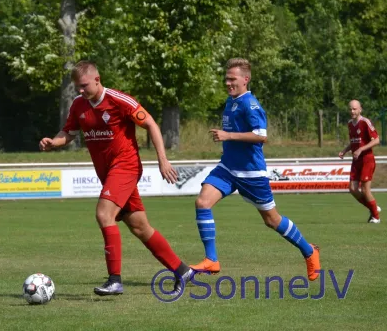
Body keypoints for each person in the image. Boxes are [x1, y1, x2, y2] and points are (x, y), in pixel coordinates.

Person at [39, 60, 192, 296]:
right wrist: (54, 142)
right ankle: (182, 270)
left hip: (126, 166)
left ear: (97, 80)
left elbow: (150, 123)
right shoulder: (79, 105)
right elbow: (68, 132)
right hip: (107, 172)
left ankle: (115, 280)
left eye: (84, 85)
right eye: (77, 87)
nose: (80, 91)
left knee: (103, 213)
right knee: (140, 227)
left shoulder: (119, 100)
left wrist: (162, 159)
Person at [189, 58, 321, 281]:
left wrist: (228, 135)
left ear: (245, 79)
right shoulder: (231, 102)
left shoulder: (251, 105)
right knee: (202, 203)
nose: (228, 82)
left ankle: (309, 251)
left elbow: (261, 136)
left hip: (251, 174)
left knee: (272, 220)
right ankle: (211, 260)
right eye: (226, 78)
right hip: (228, 168)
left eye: (232, 79)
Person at [339, 100, 381, 223]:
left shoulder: (365, 122)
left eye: (355, 109)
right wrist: (345, 150)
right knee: (352, 188)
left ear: (360, 109)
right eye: (350, 109)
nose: (352, 111)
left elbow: (376, 140)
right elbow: (354, 142)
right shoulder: (350, 124)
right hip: (356, 160)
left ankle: (376, 217)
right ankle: (373, 209)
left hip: (367, 159)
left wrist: (361, 149)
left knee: (365, 189)